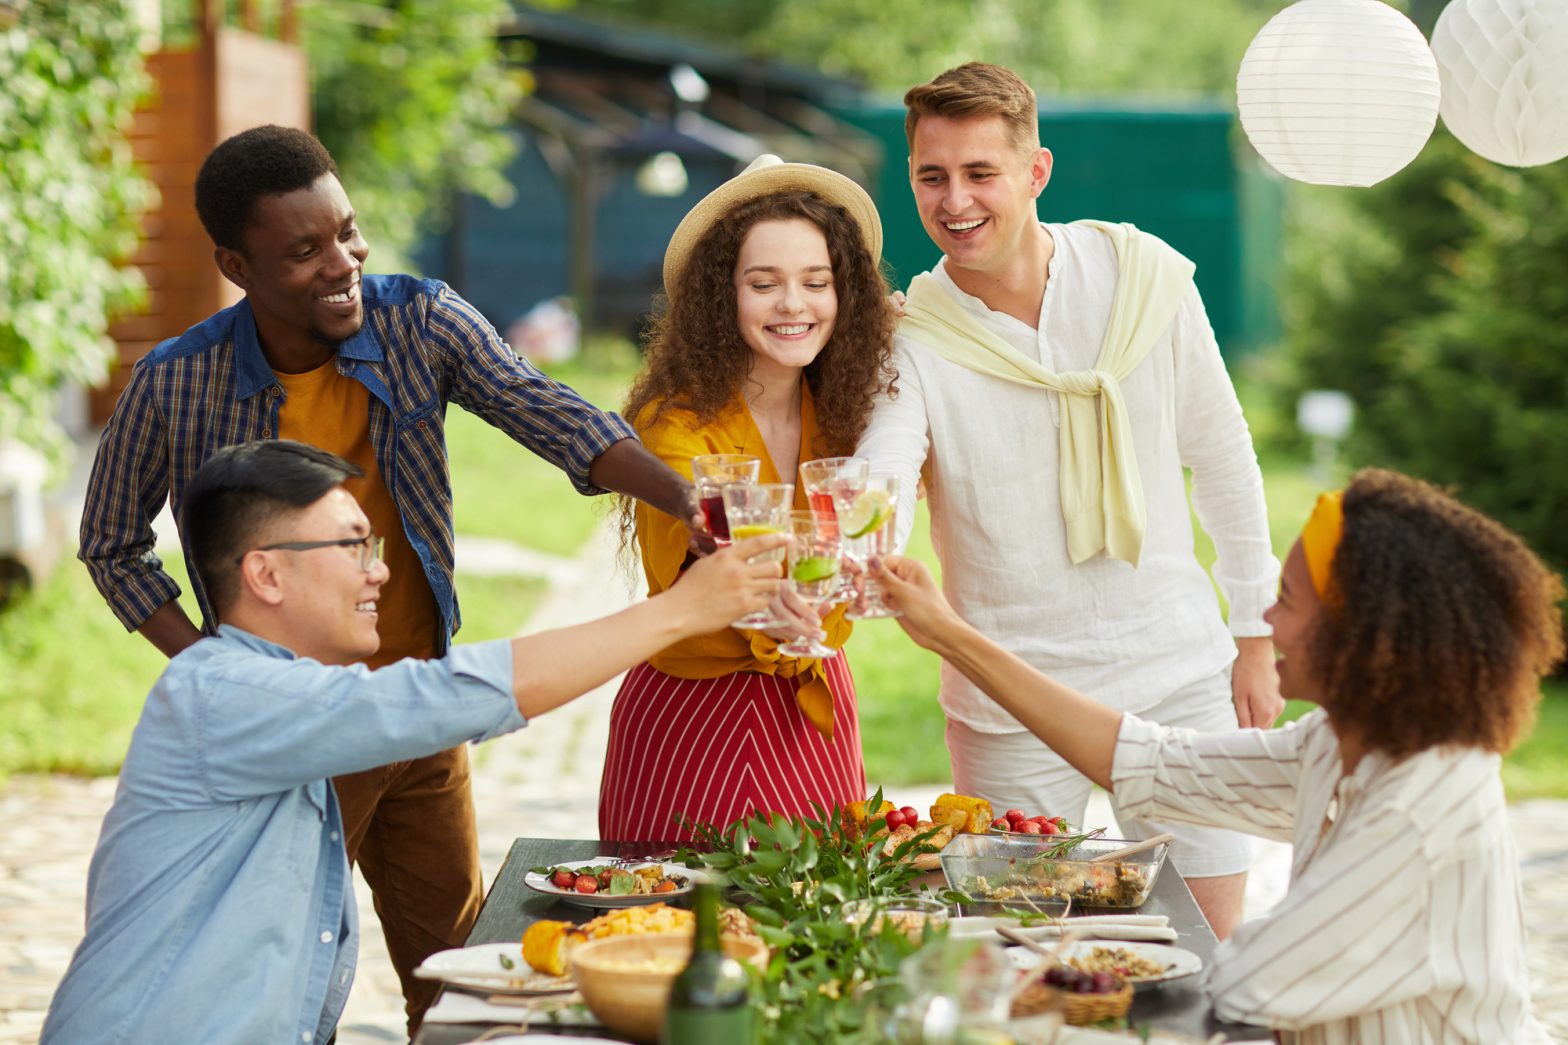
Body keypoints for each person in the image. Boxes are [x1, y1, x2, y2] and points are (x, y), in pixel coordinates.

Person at [75, 124, 702, 1029]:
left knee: (462, 982)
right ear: (234, 263)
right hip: (291, 737)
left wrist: (685, 498)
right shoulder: (175, 382)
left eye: (346, 231)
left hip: (420, 706)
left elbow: (552, 414)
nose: (342, 262)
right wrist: (218, 665)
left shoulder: (419, 319)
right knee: (285, 975)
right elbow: (109, 543)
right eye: (303, 250)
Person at [44, 440, 783, 1044]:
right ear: (265, 573)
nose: (381, 571)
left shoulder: (282, 699)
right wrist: (679, 612)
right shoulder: (222, 692)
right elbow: (444, 696)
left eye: (377, 544)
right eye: (354, 546)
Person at [873, 467, 1560, 1043]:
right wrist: (949, 635)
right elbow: (1148, 761)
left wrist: (1000, 976)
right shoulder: (1346, 739)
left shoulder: (1423, 809)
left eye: (1285, 602)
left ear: (1363, 637)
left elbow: (1245, 983)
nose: (1264, 619)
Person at [854, 62, 1277, 937]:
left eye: (980, 173)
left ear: (1036, 172)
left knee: (1206, 949)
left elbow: (1224, 458)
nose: (954, 199)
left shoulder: (1146, 278)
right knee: (1021, 954)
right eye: (932, 176)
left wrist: (1255, 631)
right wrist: (862, 536)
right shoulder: (911, 336)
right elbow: (883, 469)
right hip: (1008, 698)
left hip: (1178, 676)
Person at [597, 156, 898, 840]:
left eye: (816, 282)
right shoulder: (674, 422)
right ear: (720, 295)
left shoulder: (851, 409)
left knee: (816, 931)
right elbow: (716, 546)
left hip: (814, 707)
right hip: (695, 714)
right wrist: (772, 600)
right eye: (764, 284)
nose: (794, 304)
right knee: (680, 929)